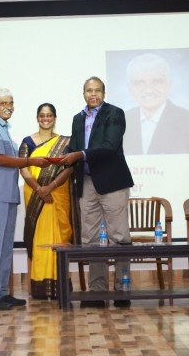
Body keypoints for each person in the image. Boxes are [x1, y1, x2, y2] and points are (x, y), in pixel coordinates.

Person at [60, 76, 134, 308]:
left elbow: (110, 146)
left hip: (112, 182)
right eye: (89, 91)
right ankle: (96, 292)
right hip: (87, 183)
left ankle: (122, 289)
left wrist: (79, 154)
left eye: (97, 90)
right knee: (90, 240)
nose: (93, 94)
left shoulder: (115, 113)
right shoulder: (77, 118)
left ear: (104, 92)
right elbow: (74, 147)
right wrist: (62, 156)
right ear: (83, 94)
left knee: (119, 237)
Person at [0, 88, 49, 310]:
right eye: (3, 103)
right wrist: (31, 162)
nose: (8, 107)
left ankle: (1, 292)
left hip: (7, 195)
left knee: (5, 246)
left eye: (11, 102)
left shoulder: (4, 128)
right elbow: (1, 159)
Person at [19, 103, 75, 299]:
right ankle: (39, 287)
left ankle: (60, 285)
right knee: (38, 238)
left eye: (49, 115)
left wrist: (50, 188)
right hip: (35, 195)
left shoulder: (65, 142)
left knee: (59, 237)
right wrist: (39, 189)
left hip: (57, 193)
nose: (45, 119)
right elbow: (23, 168)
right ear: (37, 118)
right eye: (42, 115)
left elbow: (69, 168)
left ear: (55, 118)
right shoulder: (27, 141)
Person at [123, 53, 189, 155]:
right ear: (130, 88)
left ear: (169, 84)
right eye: (139, 82)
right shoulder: (119, 121)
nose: (148, 89)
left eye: (156, 81)